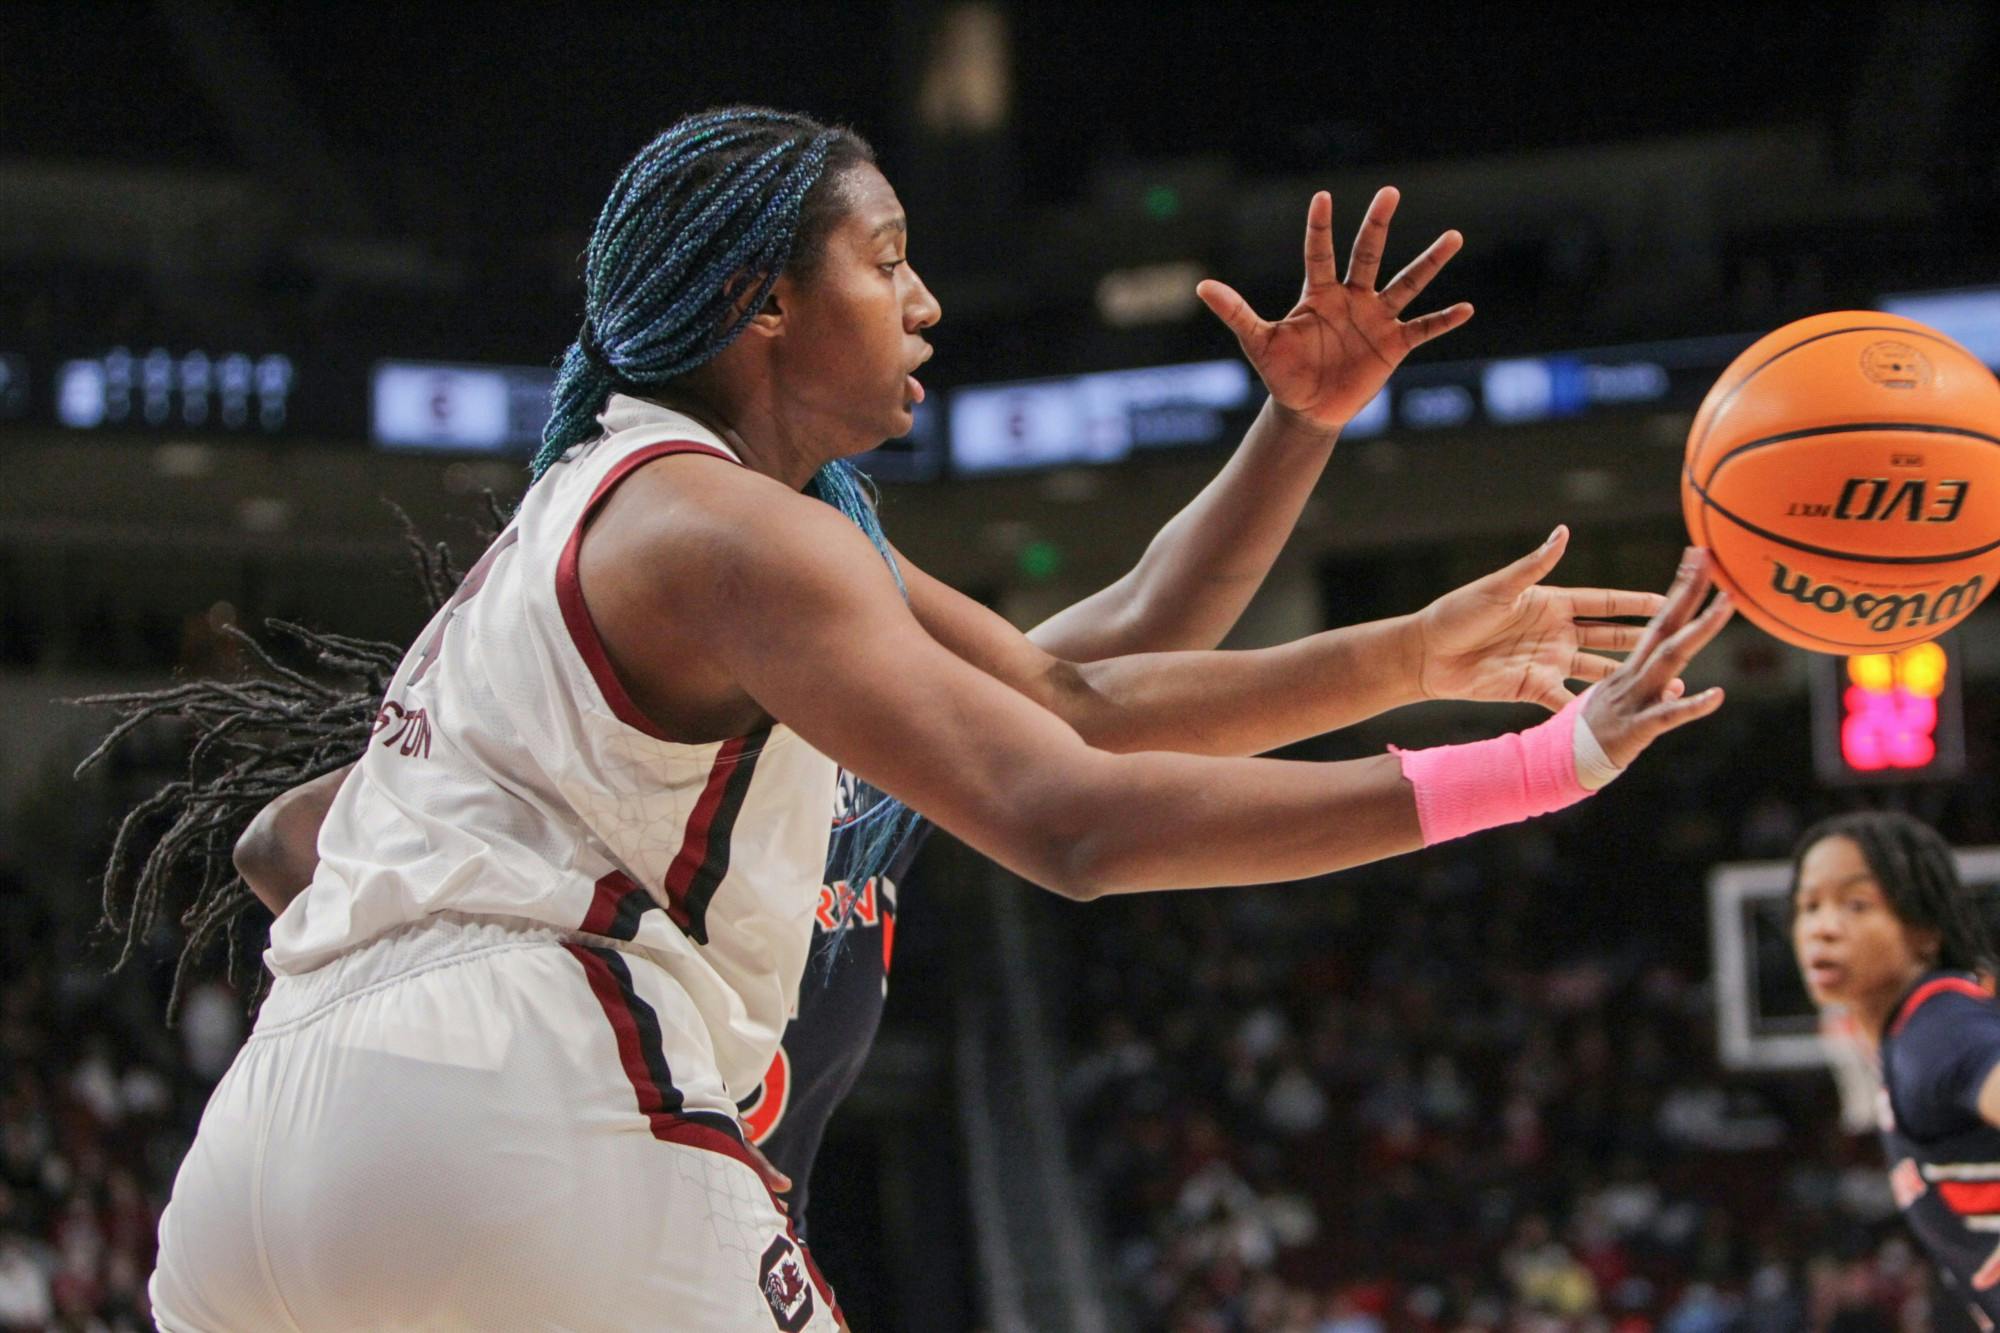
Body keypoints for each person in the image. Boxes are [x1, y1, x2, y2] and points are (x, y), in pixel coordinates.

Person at [113, 106, 1728, 1331]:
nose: (927, 300)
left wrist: (1374, 583)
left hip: (259, 1158)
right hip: (522, 1112)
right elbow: (1073, 815)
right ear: (760, 299)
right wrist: (1544, 761)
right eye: (886, 261)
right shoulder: (737, 534)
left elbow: (1079, 688)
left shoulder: (583, 524)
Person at [1792, 811, 2000, 1331]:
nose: (1823, 927)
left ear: (1924, 932)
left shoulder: (1940, 1031)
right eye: (1809, 905)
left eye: (1856, 904)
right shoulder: (1915, 1034)